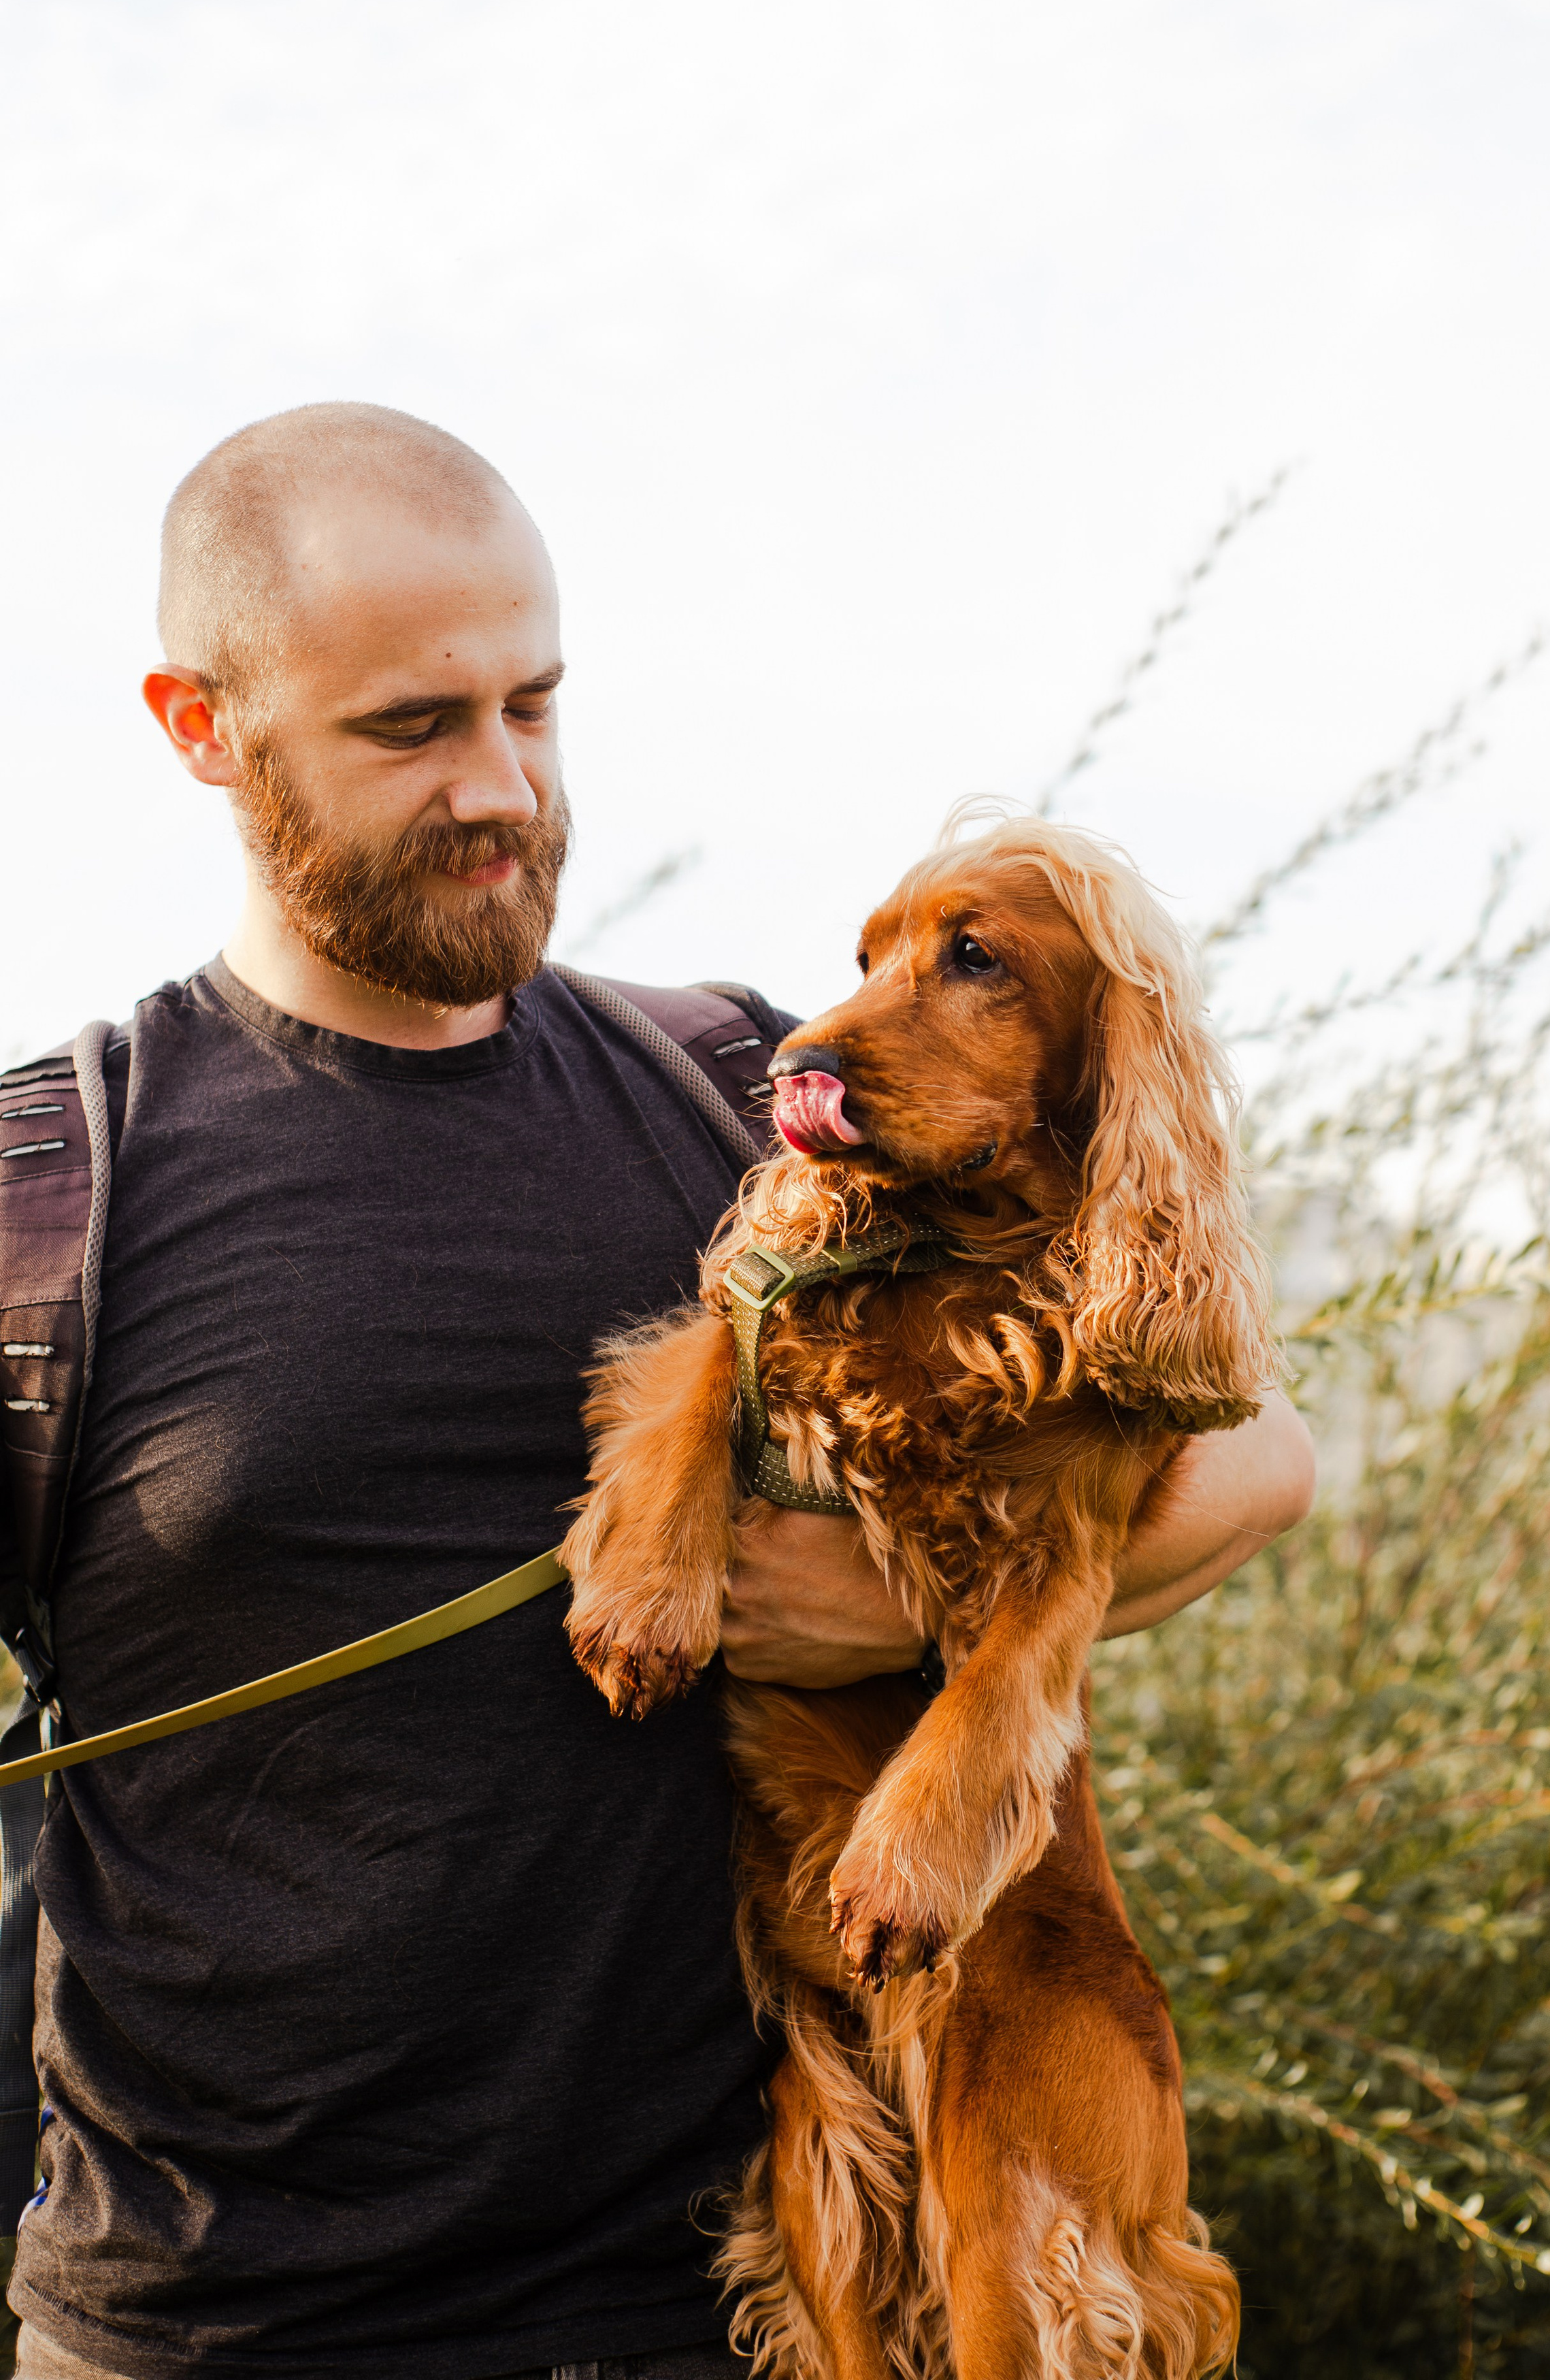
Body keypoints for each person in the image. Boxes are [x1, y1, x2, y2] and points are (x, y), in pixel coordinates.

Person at [4, 405, 1314, 2380]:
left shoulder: (750, 1094)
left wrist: (917, 1609)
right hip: (220, 2328)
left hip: (738, 2303)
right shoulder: (54, 1189)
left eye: (534, 703)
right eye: (411, 728)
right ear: (201, 724)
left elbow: (1257, 1453)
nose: (505, 787)